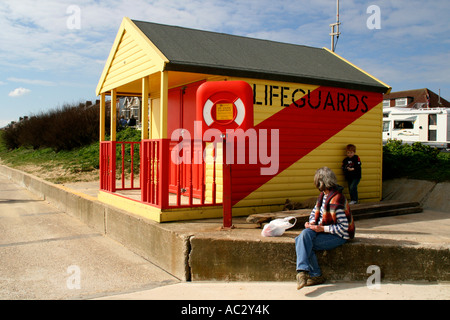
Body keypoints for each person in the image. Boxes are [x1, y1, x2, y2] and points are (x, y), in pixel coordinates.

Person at [295, 167, 355, 290]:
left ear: (320, 182)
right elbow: (314, 213)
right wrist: (311, 224)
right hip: (323, 230)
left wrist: (322, 229)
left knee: (302, 242)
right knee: (304, 235)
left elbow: (344, 228)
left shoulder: (337, 200)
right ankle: (305, 273)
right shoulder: (323, 196)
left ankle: (310, 273)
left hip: (339, 235)